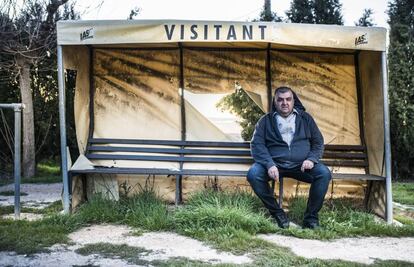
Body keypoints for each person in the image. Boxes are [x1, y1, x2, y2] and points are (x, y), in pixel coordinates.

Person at [247, 86, 331, 229]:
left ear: (293, 101)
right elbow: (257, 145)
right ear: (275, 102)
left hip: (301, 166)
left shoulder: (306, 119)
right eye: (280, 100)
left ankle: (310, 219)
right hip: (275, 166)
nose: (284, 103)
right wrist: (269, 164)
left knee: (323, 173)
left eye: (288, 99)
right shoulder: (265, 121)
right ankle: (279, 214)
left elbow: (318, 142)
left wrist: (311, 159)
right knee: (253, 174)